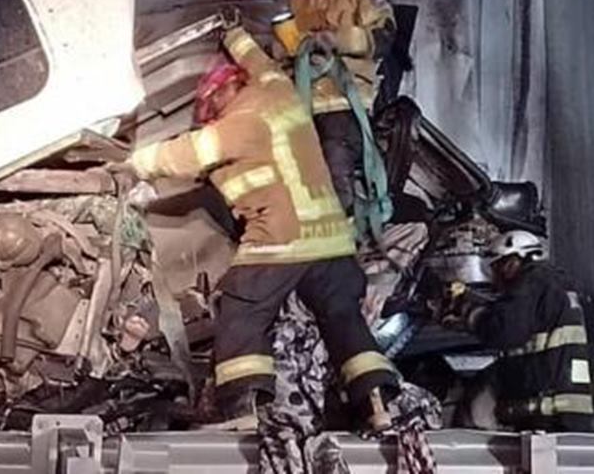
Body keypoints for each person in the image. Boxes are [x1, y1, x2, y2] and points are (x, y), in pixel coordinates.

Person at [124, 24, 400, 430]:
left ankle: (241, 414)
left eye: (212, 104)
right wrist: (235, 34)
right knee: (343, 319)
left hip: (282, 241)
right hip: (333, 242)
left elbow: (186, 154)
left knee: (241, 314)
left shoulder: (245, 119)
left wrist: (132, 164)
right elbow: (261, 63)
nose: (211, 114)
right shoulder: (279, 91)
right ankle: (377, 406)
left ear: (225, 90)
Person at [281, 0, 395, 214]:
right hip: (303, 94)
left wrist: (341, 40)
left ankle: (343, 226)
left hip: (344, 98)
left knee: (334, 156)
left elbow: (384, 37)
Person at [448, 230, 594, 432]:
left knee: (478, 397)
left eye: (497, 268)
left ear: (512, 262)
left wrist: (470, 315)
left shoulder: (533, 281)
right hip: (563, 407)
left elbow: (505, 331)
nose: (494, 280)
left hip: (549, 410)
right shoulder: (552, 284)